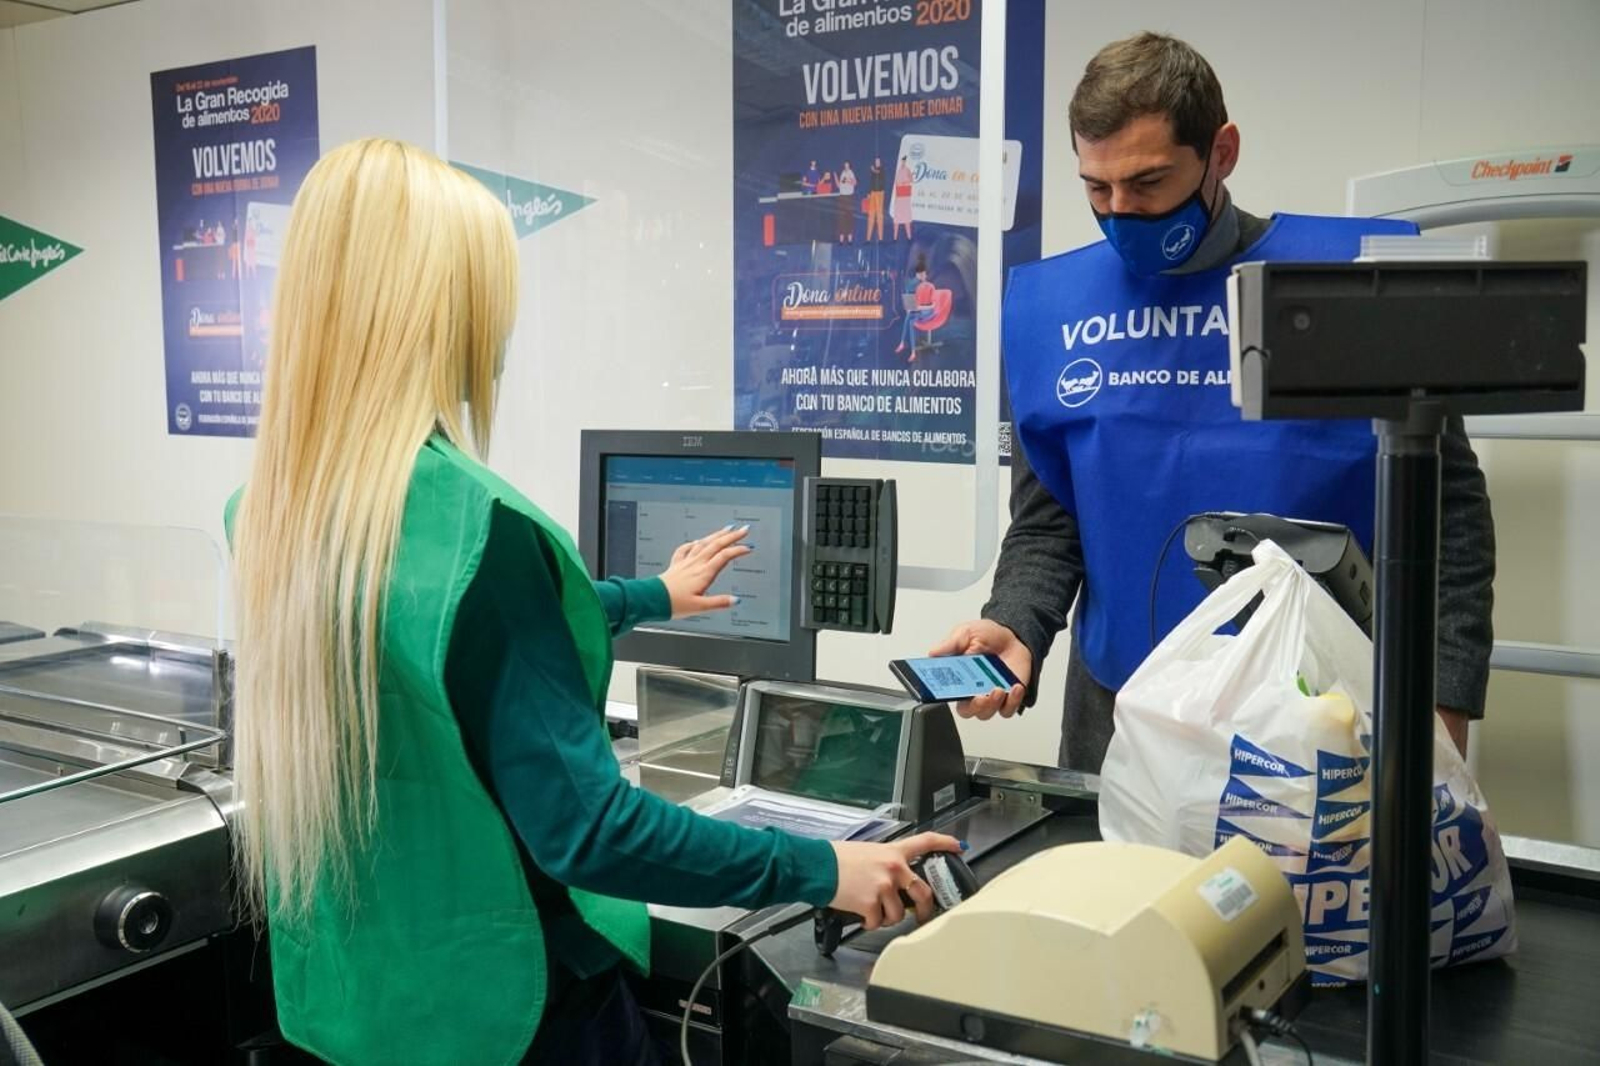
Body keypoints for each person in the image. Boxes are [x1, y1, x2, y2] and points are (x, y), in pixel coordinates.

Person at [228, 138, 959, 1066]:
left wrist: (647, 594)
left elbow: (434, 635)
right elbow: (590, 829)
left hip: (357, 1002)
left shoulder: (273, 507)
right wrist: (824, 869)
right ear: (438, 310)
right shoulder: (480, 529)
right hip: (506, 1012)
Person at [932, 33, 1494, 773]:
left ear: (1220, 152)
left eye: (1149, 183)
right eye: (1097, 189)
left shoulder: (1348, 285)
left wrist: (1443, 694)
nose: (1121, 213)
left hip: (1323, 712)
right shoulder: (1054, 312)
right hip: (1118, 709)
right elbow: (1050, 521)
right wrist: (1016, 622)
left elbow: (1447, 512)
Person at [891, 155, 914, 240]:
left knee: (906, 218)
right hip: (899, 195)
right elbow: (897, 182)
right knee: (897, 218)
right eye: (902, 161)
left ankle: (909, 237)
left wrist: (905, 182)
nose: (903, 162)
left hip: (905, 195)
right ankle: (895, 237)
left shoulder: (907, 170)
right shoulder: (899, 170)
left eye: (904, 161)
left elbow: (911, 180)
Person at [836, 160, 858, 243]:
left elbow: (855, 183)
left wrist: (848, 180)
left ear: (849, 166)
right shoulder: (842, 173)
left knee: (849, 218)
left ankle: (849, 239)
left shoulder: (851, 173)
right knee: (841, 218)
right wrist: (835, 177)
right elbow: (839, 185)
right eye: (845, 165)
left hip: (849, 197)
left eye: (847, 166)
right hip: (842, 196)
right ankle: (841, 239)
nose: (846, 167)